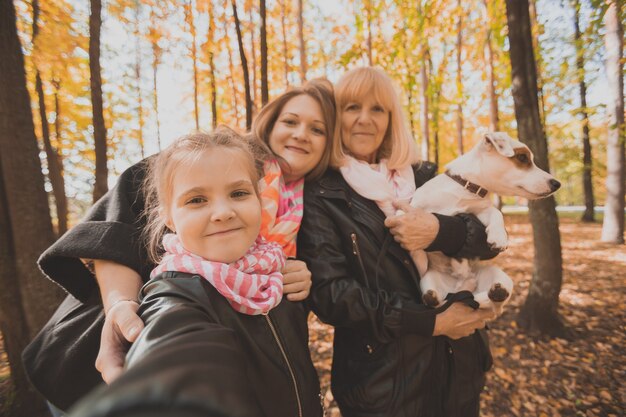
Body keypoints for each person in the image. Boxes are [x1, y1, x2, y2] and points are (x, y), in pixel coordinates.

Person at [22, 79, 335, 413]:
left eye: (317, 129)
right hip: (96, 359)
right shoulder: (204, 159)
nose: (301, 134)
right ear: (270, 123)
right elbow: (111, 233)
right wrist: (119, 303)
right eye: (290, 121)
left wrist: (289, 271)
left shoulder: (312, 206)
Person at [67, 127, 319, 417]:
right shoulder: (175, 294)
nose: (223, 212)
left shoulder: (273, 272)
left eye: (238, 193)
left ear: (259, 201)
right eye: (197, 200)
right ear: (169, 218)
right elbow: (173, 355)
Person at [297, 66, 499, 417]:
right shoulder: (322, 192)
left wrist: (438, 230)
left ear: (391, 119)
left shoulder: (423, 176)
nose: (365, 119)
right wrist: (431, 322)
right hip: (385, 386)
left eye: (378, 109)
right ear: (336, 117)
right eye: (352, 107)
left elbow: (490, 238)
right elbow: (332, 296)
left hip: (459, 367)